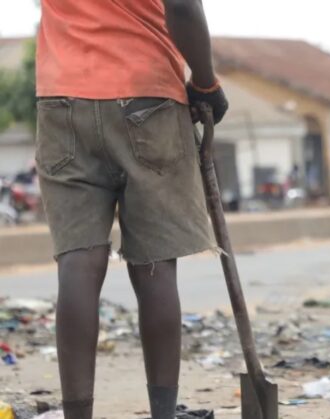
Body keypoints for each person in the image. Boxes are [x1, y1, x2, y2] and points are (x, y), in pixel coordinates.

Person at [35, 1, 228, 418]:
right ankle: (162, 412)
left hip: (62, 99)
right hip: (148, 94)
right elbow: (182, 6)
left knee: (78, 261)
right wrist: (207, 83)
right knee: (155, 265)